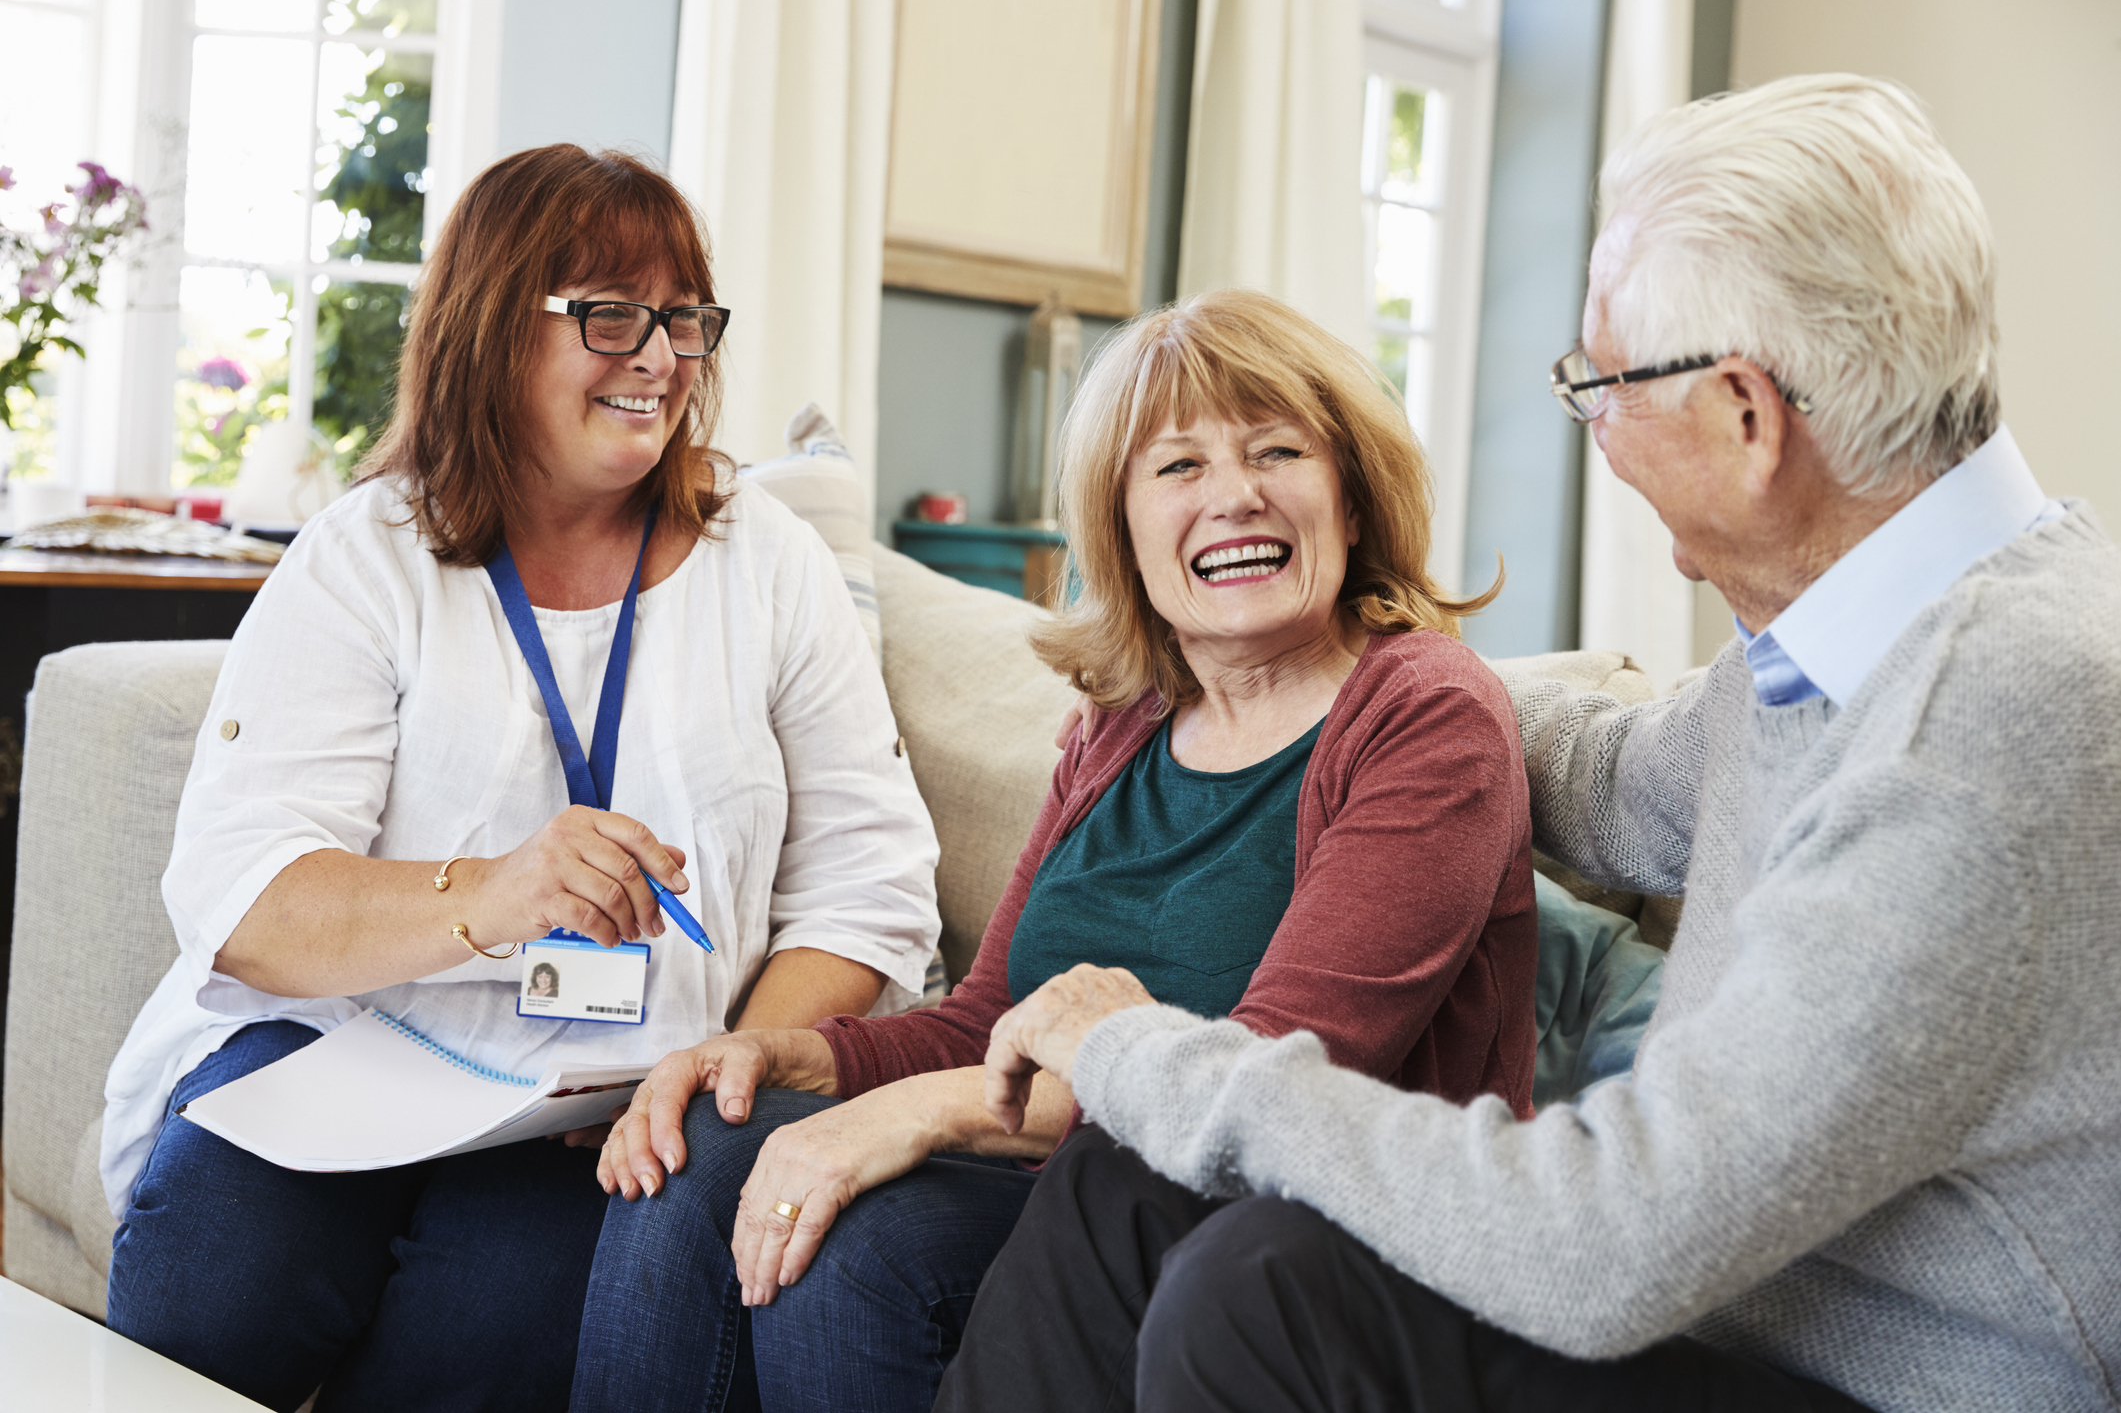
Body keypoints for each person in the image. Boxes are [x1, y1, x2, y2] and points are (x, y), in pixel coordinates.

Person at [955, 73, 2121, 1413]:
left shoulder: (1965, 745)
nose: (1596, 426)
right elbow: (1614, 774)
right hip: (1732, 1328)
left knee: (1259, 1286)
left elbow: (1605, 1243)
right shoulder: (1851, 639)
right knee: (1134, 1188)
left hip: (1875, 1382)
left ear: (1745, 417)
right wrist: (1338, 677)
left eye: (1600, 383)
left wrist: (1148, 1048)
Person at [572, 287, 1541, 1412]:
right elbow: (987, 1022)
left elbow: (1281, 1082)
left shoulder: (1423, 711)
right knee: (700, 1142)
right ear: (1124, 525)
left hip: (1301, 1237)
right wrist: (794, 1057)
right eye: (1178, 468)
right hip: (1073, 1190)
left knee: (863, 1252)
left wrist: (917, 1112)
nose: (1236, 496)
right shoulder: (1119, 726)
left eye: (1279, 450)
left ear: (1353, 498)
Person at [99, 145, 940, 1413]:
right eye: (609, 315)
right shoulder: (366, 556)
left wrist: (728, 1063)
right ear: (492, 329)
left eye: (681, 320)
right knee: (207, 1290)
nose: (657, 355)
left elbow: (868, 890)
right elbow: (247, 898)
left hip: (601, 1106)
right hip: (336, 1056)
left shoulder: (764, 562)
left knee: (492, 1345)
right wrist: (491, 895)